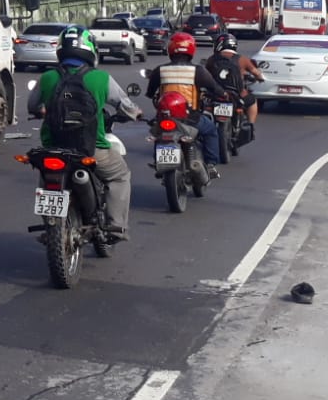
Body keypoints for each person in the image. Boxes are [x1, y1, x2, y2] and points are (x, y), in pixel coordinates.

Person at [26, 26, 140, 242]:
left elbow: (32, 106)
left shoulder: (48, 77)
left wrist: (43, 110)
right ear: (90, 50)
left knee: (46, 179)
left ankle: (50, 225)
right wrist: (136, 113)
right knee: (120, 176)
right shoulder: (101, 78)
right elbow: (126, 107)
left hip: (53, 147)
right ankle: (115, 225)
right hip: (91, 149)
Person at [147, 32, 224, 174]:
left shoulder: (160, 70)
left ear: (170, 49)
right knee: (211, 131)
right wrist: (224, 94)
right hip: (191, 119)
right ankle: (211, 165)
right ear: (191, 50)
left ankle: (157, 160)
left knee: (158, 132)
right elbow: (214, 88)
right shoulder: (198, 71)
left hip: (166, 118)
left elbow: (150, 93)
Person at [205, 32, 264, 126]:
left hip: (216, 94)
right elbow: (257, 73)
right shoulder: (242, 60)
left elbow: (206, 74)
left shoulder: (212, 59)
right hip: (237, 95)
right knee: (252, 101)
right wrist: (259, 78)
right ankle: (251, 125)